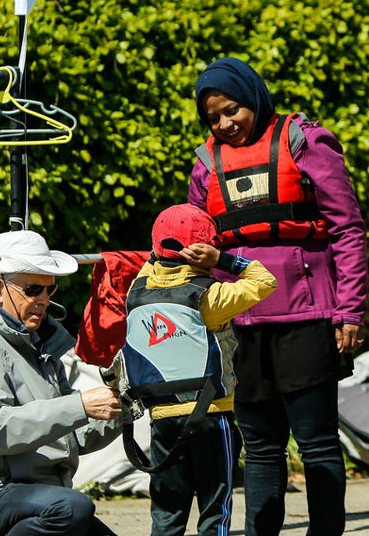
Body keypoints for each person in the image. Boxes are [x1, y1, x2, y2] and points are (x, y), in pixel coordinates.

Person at [187, 56, 368, 536]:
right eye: (214, 118)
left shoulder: (305, 142)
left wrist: (350, 310)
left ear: (253, 98)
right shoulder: (206, 164)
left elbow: (347, 229)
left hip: (307, 318)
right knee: (261, 447)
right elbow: (192, 238)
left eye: (233, 110)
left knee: (317, 443)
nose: (226, 125)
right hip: (240, 325)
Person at [0, 231, 124, 536]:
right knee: (73, 508)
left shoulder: (42, 343)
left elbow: (71, 436)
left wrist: (126, 407)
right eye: (34, 289)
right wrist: (79, 405)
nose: (45, 301)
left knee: (71, 509)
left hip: (44, 499)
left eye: (50, 290)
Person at [130, 203, 277, 536]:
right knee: (215, 509)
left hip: (162, 417)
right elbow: (265, 281)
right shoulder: (209, 297)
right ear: (205, 249)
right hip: (211, 415)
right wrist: (222, 261)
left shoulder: (135, 293)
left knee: (166, 513)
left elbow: (151, 265)